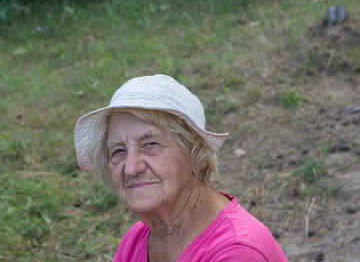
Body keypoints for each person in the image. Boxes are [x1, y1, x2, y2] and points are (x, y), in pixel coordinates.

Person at [74, 74, 287, 261]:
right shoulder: (137, 239)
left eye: (150, 144)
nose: (131, 168)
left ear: (196, 154)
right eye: (118, 151)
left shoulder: (238, 252)